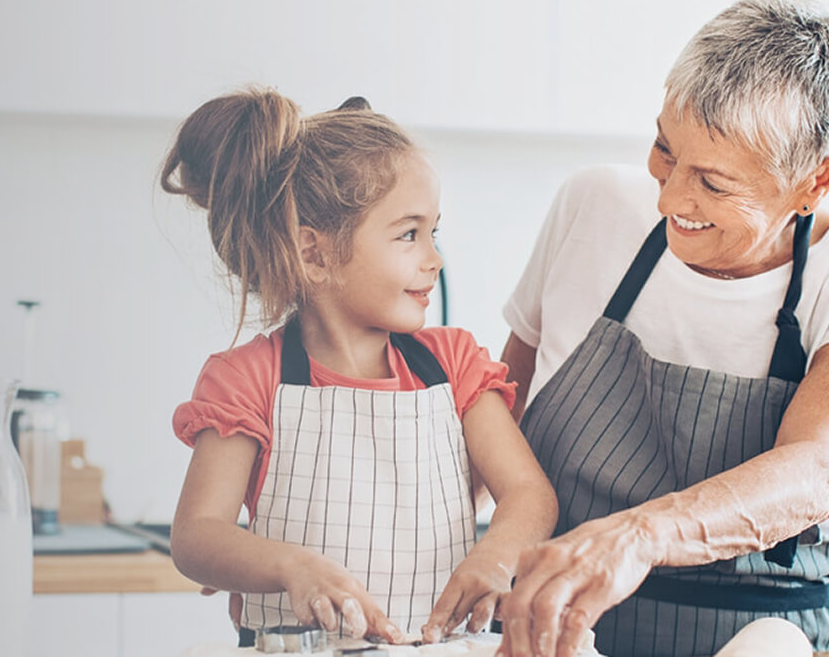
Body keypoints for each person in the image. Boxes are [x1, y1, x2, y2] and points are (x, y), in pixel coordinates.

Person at [490, 0, 829, 655]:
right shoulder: (592, 205)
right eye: (665, 150)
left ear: (818, 181)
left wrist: (639, 537)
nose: (669, 199)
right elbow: (502, 406)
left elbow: (817, 469)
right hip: (558, 627)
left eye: (714, 183)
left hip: (771, 633)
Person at [161, 87, 559, 646]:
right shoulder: (250, 379)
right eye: (408, 234)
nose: (434, 258)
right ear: (314, 254)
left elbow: (529, 493)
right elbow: (196, 536)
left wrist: (496, 555)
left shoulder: (454, 364)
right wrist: (292, 567)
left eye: (433, 231)